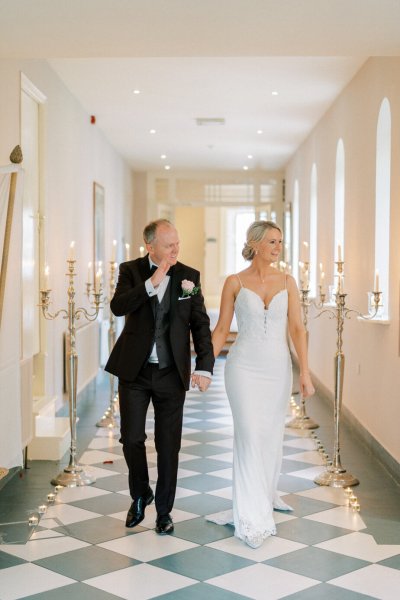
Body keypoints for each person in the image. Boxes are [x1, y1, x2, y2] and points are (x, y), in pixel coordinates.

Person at [105, 219, 214, 535]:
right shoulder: (130, 271)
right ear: (149, 246)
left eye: (177, 244)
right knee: (131, 438)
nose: (175, 250)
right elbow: (117, 307)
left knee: (169, 445)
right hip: (135, 372)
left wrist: (204, 366)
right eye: (169, 245)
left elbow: (200, 323)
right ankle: (141, 493)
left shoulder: (188, 277)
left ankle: (164, 512)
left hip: (170, 374)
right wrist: (154, 280)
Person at [210, 220, 315, 548]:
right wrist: (202, 367)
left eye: (280, 242)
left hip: (277, 370)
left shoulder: (288, 281)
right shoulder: (234, 282)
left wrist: (306, 372)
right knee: (250, 434)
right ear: (254, 244)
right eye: (272, 241)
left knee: (270, 436)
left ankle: (265, 493)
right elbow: (222, 329)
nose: (277, 247)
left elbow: (298, 329)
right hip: (243, 369)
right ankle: (251, 515)